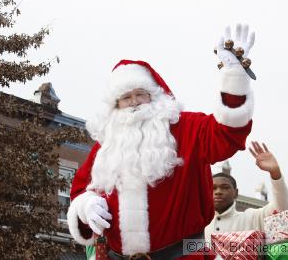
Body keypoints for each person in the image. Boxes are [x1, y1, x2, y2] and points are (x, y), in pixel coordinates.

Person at [66, 24, 257, 260]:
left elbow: (228, 133)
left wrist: (234, 77)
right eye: (126, 97)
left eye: (140, 94)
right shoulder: (107, 145)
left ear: (154, 96)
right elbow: (80, 191)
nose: (134, 102)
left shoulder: (186, 128)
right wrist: (85, 206)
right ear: (115, 105)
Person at [204, 141, 288, 242]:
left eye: (225, 187)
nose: (218, 191)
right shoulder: (199, 224)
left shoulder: (251, 218)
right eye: (213, 188)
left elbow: (282, 209)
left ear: (236, 193)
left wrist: (275, 172)